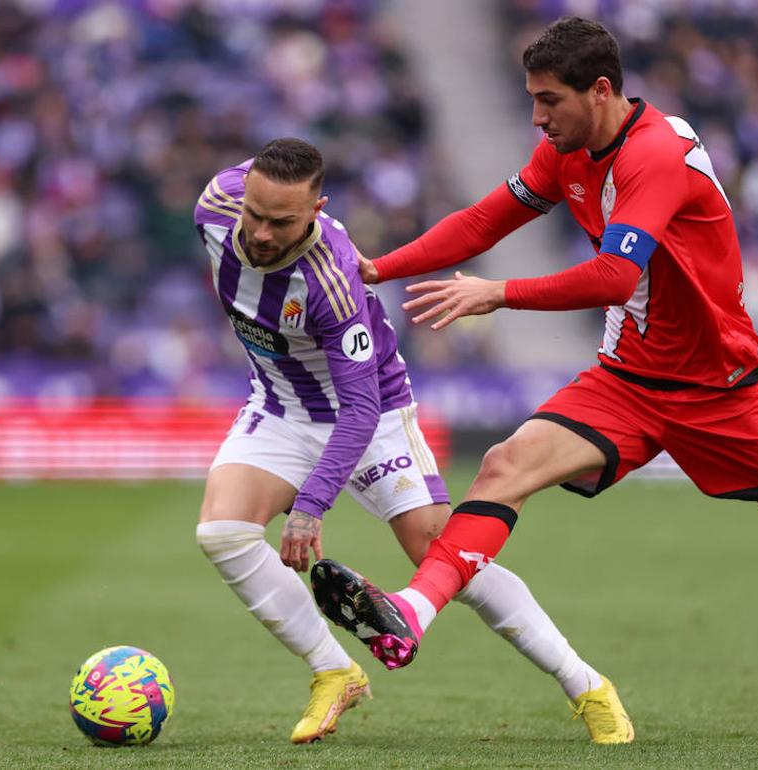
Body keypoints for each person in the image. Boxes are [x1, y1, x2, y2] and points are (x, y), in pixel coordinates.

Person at [310, 18, 758, 737]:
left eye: (549, 101)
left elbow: (615, 273)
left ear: (600, 91)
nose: (537, 118)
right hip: (628, 380)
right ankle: (410, 613)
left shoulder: (653, 154)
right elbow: (484, 221)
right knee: (505, 465)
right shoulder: (564, 151)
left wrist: (499, 293)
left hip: (725, 391)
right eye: (531, 101)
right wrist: (379, 267)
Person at [192, 137, 634, 745]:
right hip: (281, 405)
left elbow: (360, 405)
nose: (263, 233)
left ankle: (586, 686)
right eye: (257, 215)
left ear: (318, 209)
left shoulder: (334, 281)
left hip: (368, 418)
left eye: (283, 221)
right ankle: (333, 671)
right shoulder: (216, 203)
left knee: (448, 558)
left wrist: (309, 508)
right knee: (222, 531)